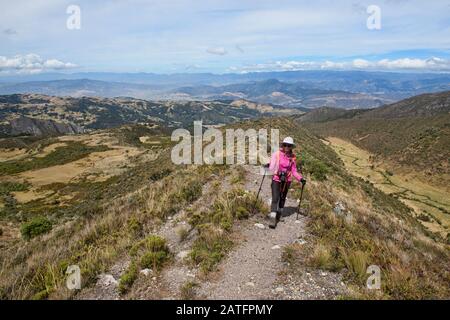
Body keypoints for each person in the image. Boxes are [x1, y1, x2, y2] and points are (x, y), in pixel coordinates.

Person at [268, 137, 306, 228]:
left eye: (289, 145)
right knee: (275, 198)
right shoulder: (276, 154)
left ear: (291, 146)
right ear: (283, 145)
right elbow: (271, 168)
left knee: (282, 198)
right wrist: (270, 165)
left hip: (287, 180)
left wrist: (300, 179)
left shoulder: (292, 157)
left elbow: (294, 171)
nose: (287, 147)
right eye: (285, 145)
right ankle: (273, 218)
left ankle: (279, 214)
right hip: (276, 179)